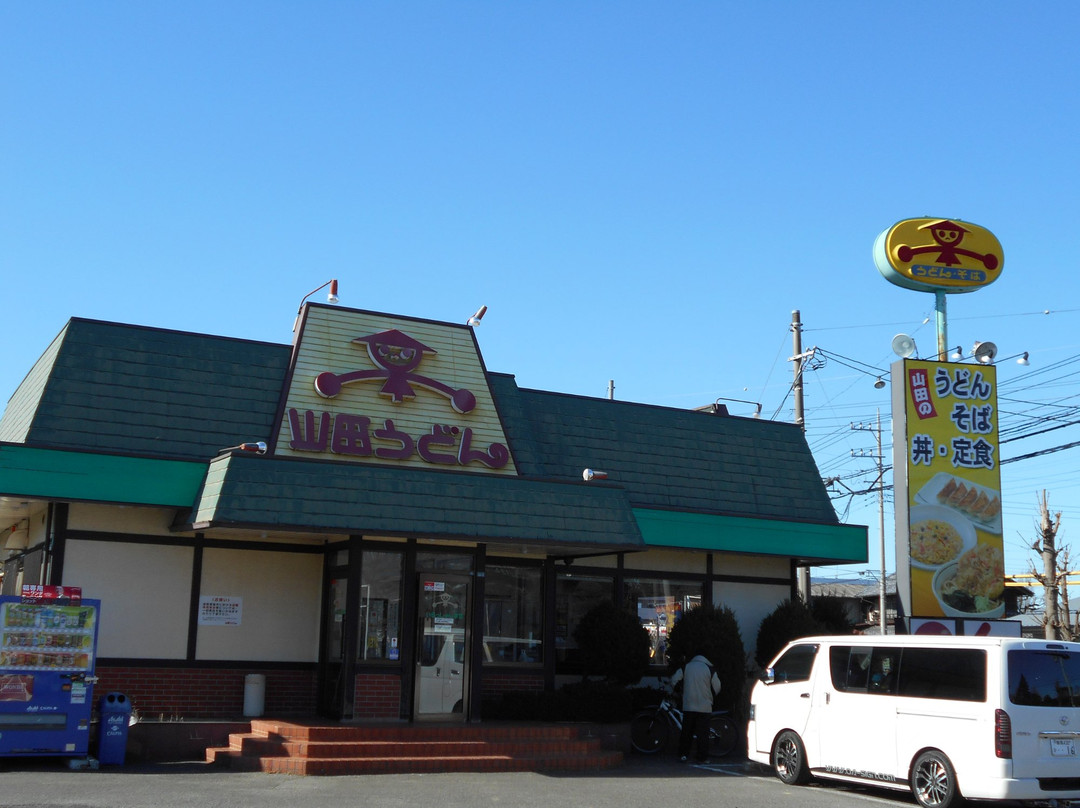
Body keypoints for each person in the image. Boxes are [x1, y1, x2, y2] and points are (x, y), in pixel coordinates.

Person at [670, 652, 721, 763]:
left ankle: (683, 754)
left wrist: (679, 691)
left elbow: (674, 680)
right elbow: (717, 686)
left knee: (687, 731)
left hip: (689, 705)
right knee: (702, 734)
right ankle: (702, 757)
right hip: (705, 707)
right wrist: (710, 696)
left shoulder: (686, 667)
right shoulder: (709, 668)